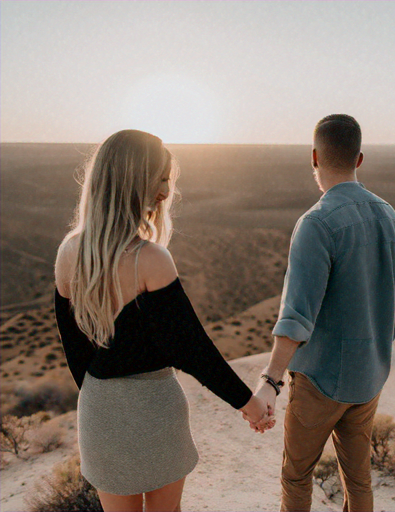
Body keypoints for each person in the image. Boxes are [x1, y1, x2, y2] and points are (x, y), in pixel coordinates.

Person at [54, 129, 274, 512]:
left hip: (99, 411)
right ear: (132, 182)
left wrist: (100, 394)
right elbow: (192, 349)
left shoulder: (69, 252)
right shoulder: (150, 259)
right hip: (155, 407)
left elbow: (74, 349)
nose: (165, 190)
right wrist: (248, 404)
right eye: (160, 178)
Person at [249, 115, 395, 512]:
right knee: (358, 479)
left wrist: (270, 380)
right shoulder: (393, 219)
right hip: (369, 376)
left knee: (296, 475)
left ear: (315, 157)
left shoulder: (316, 224)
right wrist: (374, 354)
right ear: (359, 159)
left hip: (319, 380)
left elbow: (296, 316)